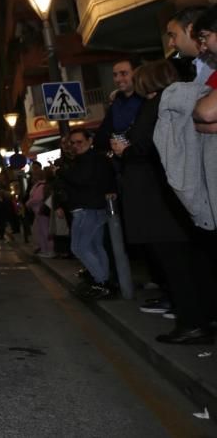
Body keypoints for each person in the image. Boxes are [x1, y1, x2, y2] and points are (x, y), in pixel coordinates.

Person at [111, 60, 215, 344]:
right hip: (172, 198)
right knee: (191, 263)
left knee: (177, 266)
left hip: (159, 200)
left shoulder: (156, 107)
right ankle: (201, 319)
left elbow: (148, 148)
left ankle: (192, 324)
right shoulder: (172, 102)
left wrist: (124, 150)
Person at [58, 129, 117, 299]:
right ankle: (104, 282)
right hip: (93, 208)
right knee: (96, 247)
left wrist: (60, 172)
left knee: (79, 247)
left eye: (79, 142)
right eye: (73, 143)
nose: (76, 146)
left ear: (90, 140)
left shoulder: (89, 159)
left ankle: (102, 282)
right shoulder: (94, 158)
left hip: (88, 209)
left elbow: (81, 179)